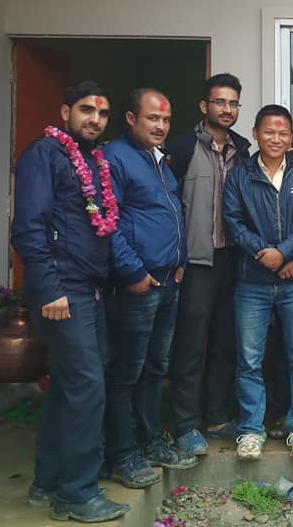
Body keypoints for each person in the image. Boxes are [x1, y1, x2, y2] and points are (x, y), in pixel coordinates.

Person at [12, 81, 130, 523]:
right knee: (87, 388)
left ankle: (48, 482)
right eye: (86, 110)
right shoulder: (44, 154)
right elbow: (28, 228)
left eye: (102, 113)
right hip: (64, 291)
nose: (95, 119)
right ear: (65, 113)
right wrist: (50, 289)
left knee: (67, 387)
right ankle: (77, 494)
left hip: (90, 289)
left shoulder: (92, 159)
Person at [105, 89, 196, 489]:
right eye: (152, 119)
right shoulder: (115, 158)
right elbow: (107, 224)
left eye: (166, 120)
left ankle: (150, 441)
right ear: (131, 118)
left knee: (154, 369)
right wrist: (132, 271)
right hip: (137, 285)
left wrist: (181, 261)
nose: (160, 126)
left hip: (167, 280)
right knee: (127, 371)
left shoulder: (158, 160)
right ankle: (123, 455)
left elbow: (171, 215)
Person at [222, 105, 293, 460]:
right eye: (269, 132)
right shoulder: (239, 175)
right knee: (249, 359)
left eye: (282, 133)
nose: (276, 139)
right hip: (252, 280)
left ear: (291, 137)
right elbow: (233, 222)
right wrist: (266, 254)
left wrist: (285, 254)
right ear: (255, 134)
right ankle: (251, 430)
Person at [167, 73, 251, 455]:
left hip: (233, 260)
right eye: (220, 102)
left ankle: (217, 416)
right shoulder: (182, 148)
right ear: (205, 106)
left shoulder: (243, 149)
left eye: (233, 103)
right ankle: (186, 423)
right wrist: (176, 257)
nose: (227, 109)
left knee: (224, 341)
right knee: (190, 344)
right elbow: (168, 206)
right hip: (196, 262)